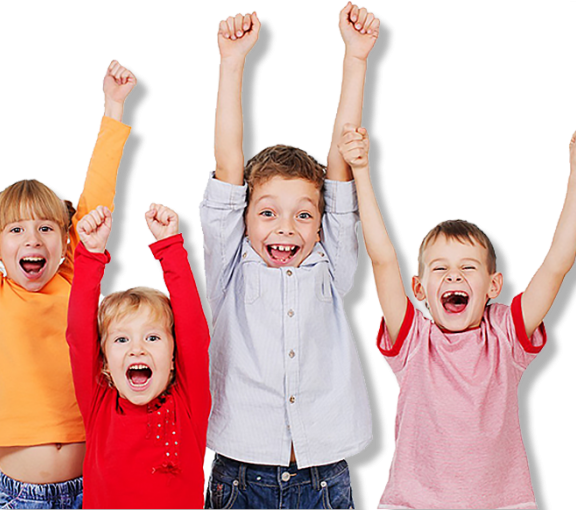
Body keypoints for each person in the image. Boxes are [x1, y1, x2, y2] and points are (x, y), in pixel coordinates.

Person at [340, 123, 576, 509]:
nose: (454, 276)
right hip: (412, 504)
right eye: (441, 269)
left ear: (493, 286)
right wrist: (361, 172)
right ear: (419, 289)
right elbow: (382, 260)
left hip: (502, 503)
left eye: (468, 268)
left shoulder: (506, 336)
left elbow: (555, 268)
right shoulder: (414, 339)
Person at [199, 3, 380, 508]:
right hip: (241, 475)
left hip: (325, 474)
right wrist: (230, 63)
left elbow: (341, 163)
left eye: (303, 215)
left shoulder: (330, 264)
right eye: (268, 213)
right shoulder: (230, 265)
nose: (286, 227)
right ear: (243, 217)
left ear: (322, 223)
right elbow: (227, 162)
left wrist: (356, 58)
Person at [0, 53, 136, 508]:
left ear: (64, 240)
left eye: (46, 228)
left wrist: (113, 109)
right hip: (19, 499)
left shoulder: (74, 280)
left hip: (94, 489)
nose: (33, 239)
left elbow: (95, 205)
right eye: (16, 230)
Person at [66, 203, 211, 508]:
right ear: (104, 361)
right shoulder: (98, 406)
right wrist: (91, 255)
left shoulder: (188, 403)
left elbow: (195, 335)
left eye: (153, 337)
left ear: (174, 357)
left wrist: (169, 247)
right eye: (121, 339)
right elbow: (79, 336)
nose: (137, 348)